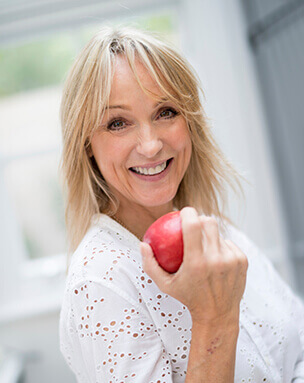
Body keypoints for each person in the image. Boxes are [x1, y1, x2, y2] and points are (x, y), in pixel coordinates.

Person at [59, 26, 304, 382]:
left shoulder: (215, 229)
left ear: (190, 122)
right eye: (117, 123)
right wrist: (215, 318)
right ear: (87, 146)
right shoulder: (102, 279)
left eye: (166, 112)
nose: (151, 145)